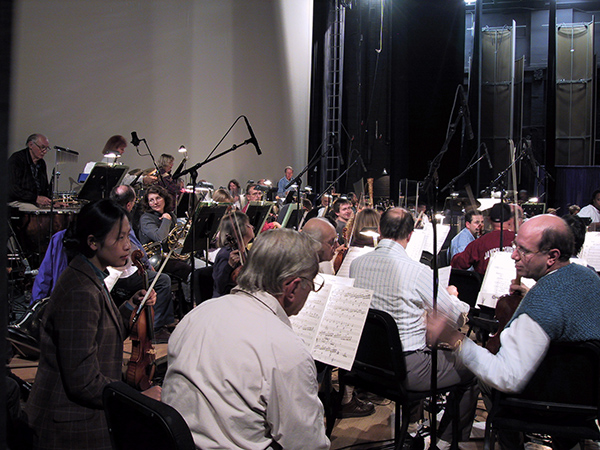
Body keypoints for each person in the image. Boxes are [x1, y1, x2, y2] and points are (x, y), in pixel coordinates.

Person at [428, 214, 600, 448]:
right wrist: (531, 294)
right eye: (515, 246)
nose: (514, 255)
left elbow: (506, 378)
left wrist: (455, 338)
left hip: (544, 405)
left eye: (524, 250)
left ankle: (515, 443)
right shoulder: (589, 277)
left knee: (482, 374)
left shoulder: (540, 306)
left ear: (552, 256)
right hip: (587, 402)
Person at [163, 228, 330, 450]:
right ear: (292, 287)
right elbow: (306, 445)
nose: (311, 291)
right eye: (312, 283)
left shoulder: (196, 314)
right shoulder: (287, 352)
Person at [25, 199, 161, 450]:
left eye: (127, 235)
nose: (127, 245)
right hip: (69, 426)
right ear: (92, 242)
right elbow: (83, 380)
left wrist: (131, 306)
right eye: (119, 238)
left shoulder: (90, 277)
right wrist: (138, 400)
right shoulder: (80, 291)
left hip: (78, 420)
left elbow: (101, 334)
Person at [349, 207, 477, 447]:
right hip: (405, 370)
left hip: (367, 366)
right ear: (410, 235)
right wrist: (454, 297)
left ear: (379, 229)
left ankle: (412, 425)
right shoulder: (418, 272)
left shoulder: (357, 264)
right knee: (473, 367)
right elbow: (454, 319)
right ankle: (444, 442)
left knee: (417, 340)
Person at [302, 217, 376, 418]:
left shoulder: (319, 264)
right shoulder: (308, 270)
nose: (337, 246)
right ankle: (342, 398)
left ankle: (337, 393)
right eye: (331, 241)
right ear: (315, 245)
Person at [109, 185, 174, 342]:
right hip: (120, 273)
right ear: (130, 204)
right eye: (152, 199)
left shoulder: (111, 216)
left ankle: (164, 321)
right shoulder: (123, 220)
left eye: (158, 198)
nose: (155, 202)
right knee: (163, 280)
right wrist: (145, 264)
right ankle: (156, 328)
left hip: (121, 268)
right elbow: (134, 247)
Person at [451, 202, 515, 275]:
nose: (480, 225)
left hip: (485, 284)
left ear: (489, 220)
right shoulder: (519, 240)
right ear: (510, 220)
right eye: (477, 222)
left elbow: (458, 263)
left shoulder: (480, 243)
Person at [212, 211, 254, 298]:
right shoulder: (226, 254)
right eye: (248, 224)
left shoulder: (245, 251)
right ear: (240, 229)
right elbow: (220, 287)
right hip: (227, 300)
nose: (252, 227)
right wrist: (229, 266)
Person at [8, 133, 52, 211]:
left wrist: (51, 202)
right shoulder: (16, 160)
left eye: (46, 148)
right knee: (35, 211)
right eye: (42, 147)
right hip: (18, 200)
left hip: (34, 201)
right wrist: (35, 198)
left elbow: (45, 188)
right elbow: (13, 189)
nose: (44, 151)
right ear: (31, 145)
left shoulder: (41, 163)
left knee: (53, 210)